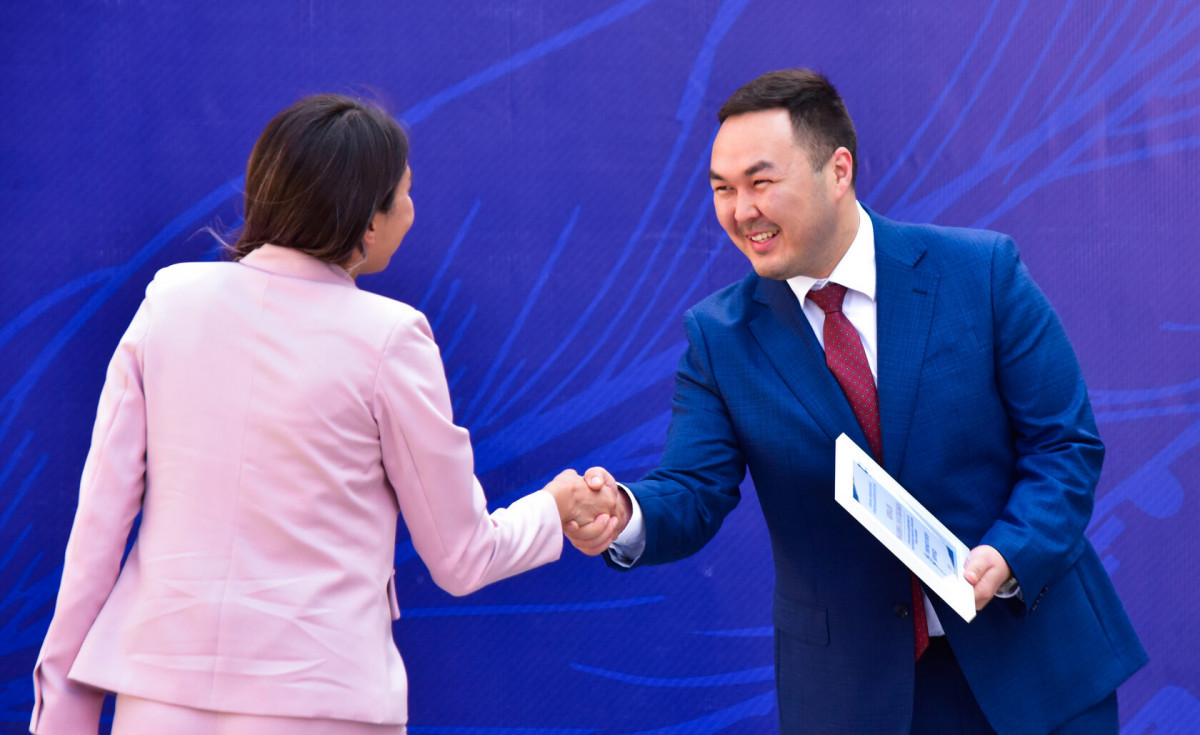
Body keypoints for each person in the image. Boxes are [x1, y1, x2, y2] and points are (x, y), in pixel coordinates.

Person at [566, 69, 1147, 734]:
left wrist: (1011, 552)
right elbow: (693, 489)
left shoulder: (980, 273)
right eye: (722, 189)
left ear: (838, 170)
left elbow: (1063, 446)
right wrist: (625, 514)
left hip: (1034, 664)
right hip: (854, 696)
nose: (741, 210)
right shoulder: (719, 338)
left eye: (761, 182)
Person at [30, 94, 621, 735]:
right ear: (368, 222)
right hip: (325, 704)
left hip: (156, 701)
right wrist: (555, 508)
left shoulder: (168, 301)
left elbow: (97, 530)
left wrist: (62, 715)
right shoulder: (392, 337)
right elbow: (462, 557)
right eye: (405, 193)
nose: (412, 210)